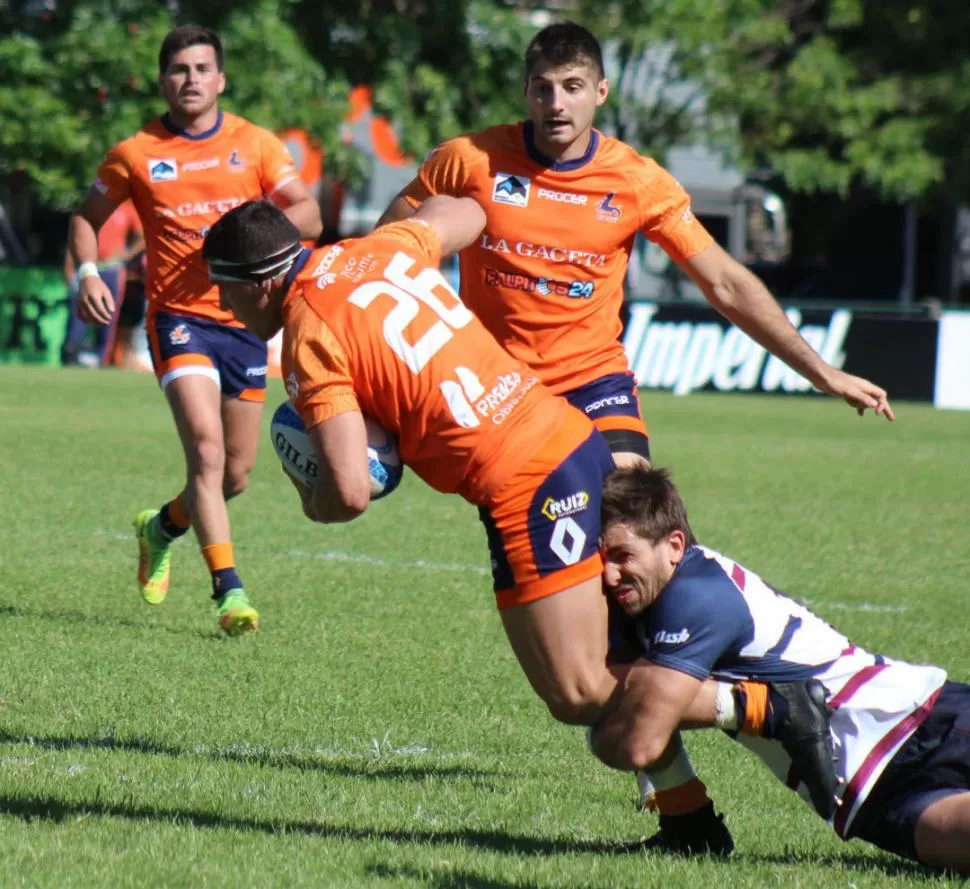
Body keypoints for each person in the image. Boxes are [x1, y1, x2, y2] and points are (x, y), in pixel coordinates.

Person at [379, 20, 894, 847]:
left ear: (600, 92)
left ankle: (751, 694)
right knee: (589, 655)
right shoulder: (466, 162)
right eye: (543, 87)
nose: (557, 103)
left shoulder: (636, 181)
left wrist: (821, 369)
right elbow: (390, 253)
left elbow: (724, 279)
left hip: (596, 394)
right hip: (501, 411)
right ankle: (692, 807)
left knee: (626, 560)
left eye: (573, 86)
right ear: (525, 90)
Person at [202, 196, 835, 857]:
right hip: (567, 437)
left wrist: (313, 495)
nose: (225, 307)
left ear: (263, 282)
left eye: (226, 291)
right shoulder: (376, 249)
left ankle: (770, 707)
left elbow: (352, 492)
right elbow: (468, 213)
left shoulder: (307, 336)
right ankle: (691, 825)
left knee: (581, 688)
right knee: (614, 660)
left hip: (525, 483)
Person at [67, 25, 322, 635]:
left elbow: (308, 211)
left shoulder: (255, 145)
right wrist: (86, 274)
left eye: (202, 68)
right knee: (205, 452)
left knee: (233, 474)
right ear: (162, 81)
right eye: (179, 69)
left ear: (221, 79)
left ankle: (161, 528)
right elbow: (86, 215)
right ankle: (228, 591)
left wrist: (259, 231)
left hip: (245, 322)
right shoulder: (135, 152)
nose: (191, 79)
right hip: (178, 321)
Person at [589, 465, 969, 873]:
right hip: (870, 798)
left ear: (674, 546)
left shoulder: (696, 594)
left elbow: (637, 744)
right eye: (601, 560)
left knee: (628, 702)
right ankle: (690, 825)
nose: (610, 575)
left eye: (623, 556)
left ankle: (759, 721)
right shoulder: (651, 603)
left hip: (921, 722)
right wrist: (748, 707)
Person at [62, 200, 144, 367]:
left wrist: (126, 254)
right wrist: (69, 267)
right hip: (86, 267)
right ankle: (70, 357)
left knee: (108, 315)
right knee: (79, 314)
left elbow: (141, 237)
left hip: (111, 268)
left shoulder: (128, 209)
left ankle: (101, 359)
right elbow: (76, 237)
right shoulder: (92, 205)